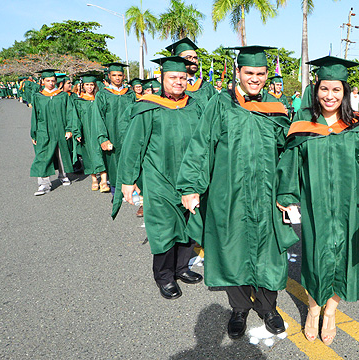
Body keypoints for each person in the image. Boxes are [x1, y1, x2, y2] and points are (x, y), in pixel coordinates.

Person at [177, 45, 295, 340]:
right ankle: (239, 309)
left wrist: (289, 192)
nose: (255, 78)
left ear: (267, 75)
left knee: (269, 253)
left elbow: (292, 152)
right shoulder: (220, 104)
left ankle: (269, 308)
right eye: (249, 73)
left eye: (260, 73)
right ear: (238, 73)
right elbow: (201, 145)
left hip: (267, 196)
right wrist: (191, 186)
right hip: (229, 194)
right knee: (232, 250)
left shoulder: (277, 108)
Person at [276, 56, 359, 345]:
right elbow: (291, 162)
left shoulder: (358, 126)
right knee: (316, 257)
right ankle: (313, 308)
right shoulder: (304, 125)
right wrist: (287, 194)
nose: (329, 96)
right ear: (316, 90)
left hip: (350, 208)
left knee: (347, 259)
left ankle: (330, 311)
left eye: (336, 90)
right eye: (324, 89)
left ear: (345, 92)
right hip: (316, 207)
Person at [112, 56, 204, 299]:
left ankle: (182, 268)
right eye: (173, 77)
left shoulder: (194, 106)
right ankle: (164, 276)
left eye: (182, 78)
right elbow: (134, 146)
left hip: (189, 178)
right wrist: (128, 180)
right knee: (164, 228)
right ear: (161, 79)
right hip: (159, 178)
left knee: (189, 224)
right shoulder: (148, 106)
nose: (178, 82)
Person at [29, 69, 79, 195]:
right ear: (42, 81)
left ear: (57, 82)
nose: (51, 83)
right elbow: (34, 116)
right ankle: (44, 184)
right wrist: (33, 133)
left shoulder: (62, 96)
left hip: (60, 129)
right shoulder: (38, 97)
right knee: (43, 156)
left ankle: (63, 175)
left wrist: (69, 129)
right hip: (43, 130)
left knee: (61, 153)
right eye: (48, 81)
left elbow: (69, 113)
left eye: (53, 81)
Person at [91, 62, 135, 195]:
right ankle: (116, 192)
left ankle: (132, 190)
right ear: (109, 76)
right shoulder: (102, 95)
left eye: (120, 75)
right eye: (114, 75)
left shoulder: (130, 94)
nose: (117, 78)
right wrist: (103, 138)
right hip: (112, 134)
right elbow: (98, 118)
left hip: (129, 133)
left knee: (130, 160)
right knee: (113, 162)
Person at [74, 73, 107, 191]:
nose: (89, 87)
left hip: (99, 129)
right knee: (89, 154)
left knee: (101, 154)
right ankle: (94, 179)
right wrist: (77, 132)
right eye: (87, 84)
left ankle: (104, 180)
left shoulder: (100, 98)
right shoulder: (79, 101)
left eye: (92, 84)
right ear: (83, 86)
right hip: (86, 131)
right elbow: (75, 117)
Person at [166, 37, 217, 105]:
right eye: (189, 57)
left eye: (195, 58)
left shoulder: (207, 87)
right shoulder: (171, 87)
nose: (194, 60)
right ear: (179, 60)